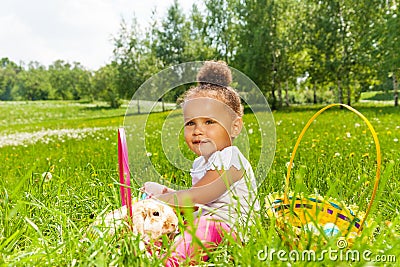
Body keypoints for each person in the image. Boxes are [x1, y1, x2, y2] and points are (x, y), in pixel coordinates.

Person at [142, 61, 260, 266]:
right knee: (170, 209)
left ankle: (171, 260)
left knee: (203, 227)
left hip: (232, 228)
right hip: (206, 219)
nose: (198, 131)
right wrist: (161, 195)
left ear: (234, 127)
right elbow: (197, 205)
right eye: (190, 123)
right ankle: (151, 241)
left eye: (209, 122)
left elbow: (199, 196)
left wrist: (161, 200)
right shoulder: (200, 162)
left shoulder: (231, 158)